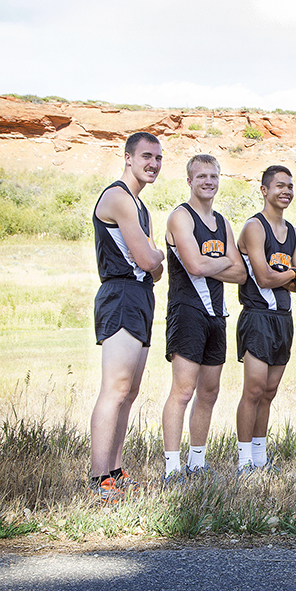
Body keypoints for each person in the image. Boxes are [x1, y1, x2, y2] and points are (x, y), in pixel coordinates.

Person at [90, 132, 165, 501]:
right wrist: (155, 255)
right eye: (147, 156)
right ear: (128, 157)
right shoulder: (119, 196)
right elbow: (150, 261)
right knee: (115, 389)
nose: (153, 163)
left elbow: (154, 271)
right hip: (120, 293)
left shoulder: (141, 206)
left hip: (140, 296)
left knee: (130, 391)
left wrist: (152, 259)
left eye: (158, 158)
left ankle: (115, 472)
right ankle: (98, 478)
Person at [161, 154, 245, 481]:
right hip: (187, 312)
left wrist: (217, 262)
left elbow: (240, 274)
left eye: (213, 176)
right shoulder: (180, 218)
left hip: (217, 315)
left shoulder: (222, 222)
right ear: (189, 181)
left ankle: (197, 461)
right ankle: (172, 467)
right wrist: (223, 260)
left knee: (209, 392)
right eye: (201, 177)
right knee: (182, 391)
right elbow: (194, 267)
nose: (208, 182)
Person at [235, 165, 296, 472]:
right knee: (253, 388)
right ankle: (243, 459)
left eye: (290, 186)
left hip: (283, 318)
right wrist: (292, 274)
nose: (286, 191)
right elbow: (263, 278)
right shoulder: (255, 227)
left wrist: (291, 278)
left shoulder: (295, 234)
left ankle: (260, 458)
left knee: (269, 392)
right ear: (264, 190)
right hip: (257, 316)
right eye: (279, 186)